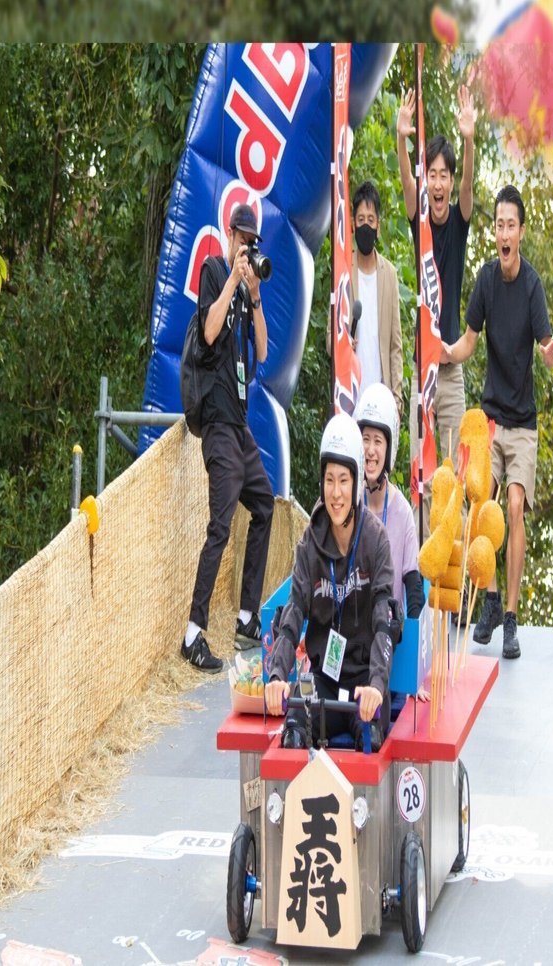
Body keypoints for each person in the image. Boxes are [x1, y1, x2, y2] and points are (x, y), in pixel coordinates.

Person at [440, 185, 553, 660]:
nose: (504, 233)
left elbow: (545, 343)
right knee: (478, 500)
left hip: (523, 424)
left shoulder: (531, 286)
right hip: (490, 420)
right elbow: (470, 340)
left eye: (511, 224)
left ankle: (510, 617)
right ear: (494, 232)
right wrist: (450, 351)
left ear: (522, 232)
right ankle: (488, 602)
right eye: (498, 225)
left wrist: (548, 353)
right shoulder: (486, 280)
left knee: (513, 506)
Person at [264, 413, 396, 750]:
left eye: (344, 481)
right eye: (329, 480)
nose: (336, 493)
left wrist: (378, 685)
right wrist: (277, 675)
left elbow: (384, 622)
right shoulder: (310, 544)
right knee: (292, 726)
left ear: (355, 484)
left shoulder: (376, 540)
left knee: (369, 737)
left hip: (364, 683)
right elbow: (293, 614)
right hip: (322, 680)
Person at [181, 203, 274, 672]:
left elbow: (260, 350)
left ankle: (245, 616)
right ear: (228, 231)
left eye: (252, 242)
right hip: (216, 422)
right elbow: (211, 330)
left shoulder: (246, 288)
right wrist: (235, 279)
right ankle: (193, 633)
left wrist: (254, 296)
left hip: (240, 426)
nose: (246, 247)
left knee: (265, 505)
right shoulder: (213, 270)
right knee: (220, 526)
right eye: (242, 238)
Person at [397, 84, 476, 536]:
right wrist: (404, 141)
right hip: (421, 369)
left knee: (457, 477)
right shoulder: (420, 219)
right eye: (435, 174)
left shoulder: (459, 218)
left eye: (445, 174)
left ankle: (458, 578)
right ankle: (425, 601)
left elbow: (468, 188)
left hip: (453, 373)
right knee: (423, 480)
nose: (441, 182)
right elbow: (409, 188)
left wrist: (467, 139)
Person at [326, 180, 403, 419]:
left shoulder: (389, 274)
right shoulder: (343, 272)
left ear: (378, 226)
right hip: (349, 400)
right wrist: (341, 343)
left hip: (381, 401)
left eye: (371, 220)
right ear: (352, 225)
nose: (366, 227)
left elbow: (395, 345)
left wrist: (397, 400)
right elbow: (330, 340)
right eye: (361, 220)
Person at [354, 383, 424, 621]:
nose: (371, 450)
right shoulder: (343, 502)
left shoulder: (402, 511)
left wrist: (415, 641)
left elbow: (414, 585)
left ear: (389, 448)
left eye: (378, 441)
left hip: (387, 635)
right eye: (365, 439)